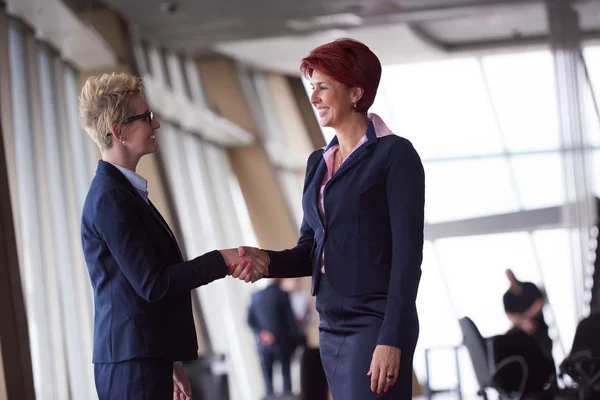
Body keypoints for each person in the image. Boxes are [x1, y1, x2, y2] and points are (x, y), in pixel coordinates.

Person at [239, 38, 425, 399]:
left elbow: (408, 257)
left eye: (323, 87)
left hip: (375, 321)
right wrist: (265, 261)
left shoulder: (394, 155)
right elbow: (310, 249)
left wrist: (392, 338)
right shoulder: (317, 162)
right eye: (312, 88)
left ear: (356, 92)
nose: (314, 98)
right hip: (330, 324)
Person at [78, 73, 267, 400]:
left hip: (143, 357)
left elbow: (138, 290)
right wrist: (221, 260)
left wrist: (170, 361)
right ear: (118, 131)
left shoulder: (124, 192)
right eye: (146, 118)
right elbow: (153, 284)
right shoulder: (111, 197)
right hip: (131, 364)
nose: (156, 125)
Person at [247, 278, 302, 397]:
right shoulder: (282, 295)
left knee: (268, 383)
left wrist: (262, 334)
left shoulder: (255, 296)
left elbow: (250, 320)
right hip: (282, 344)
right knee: (286, 380)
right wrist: (297, 340)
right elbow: (290, 320)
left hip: (264, 345)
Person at [503, 269, 553, 357]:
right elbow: (510, 315)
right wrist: (524, 322)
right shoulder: (507, 297)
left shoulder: (529, 286)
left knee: (545, 352)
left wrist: (527, 317)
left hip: (539, 325)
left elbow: (540, 302)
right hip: (520, 330)